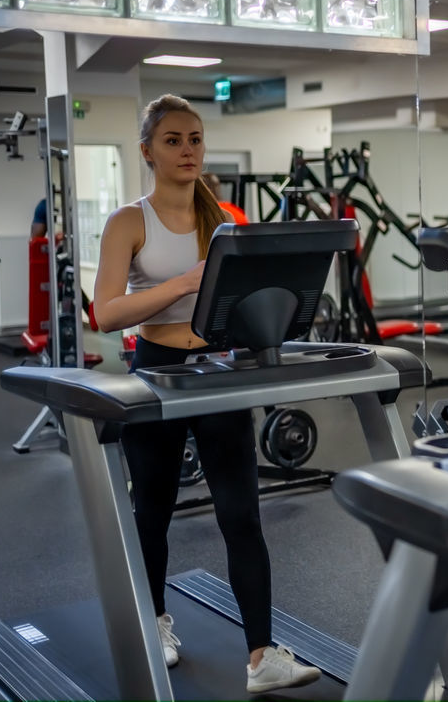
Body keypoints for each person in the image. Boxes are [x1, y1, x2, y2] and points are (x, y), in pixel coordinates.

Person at [91, 95, 320, 693]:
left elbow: (245, 297)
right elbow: (106, 312)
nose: (187, 149)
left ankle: (262, 655)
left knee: (241, 513)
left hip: (218, 368)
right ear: (147, 150)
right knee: (154, 512)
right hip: (157, 368)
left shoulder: (221, 218)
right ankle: (156, 623)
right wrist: (183, 283)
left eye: (194, 138)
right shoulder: (129, 221)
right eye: (173, 140)